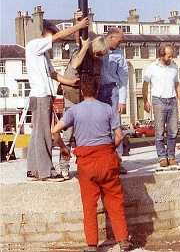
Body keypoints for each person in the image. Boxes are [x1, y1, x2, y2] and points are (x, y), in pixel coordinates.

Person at [52, 76, 132, 252]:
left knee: (89, 204)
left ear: (81, 91)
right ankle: (123, 240)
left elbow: (54, 131)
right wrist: (111, 148)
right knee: (114, 200)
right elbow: (119, 135)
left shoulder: (74, 111)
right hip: (107, 158)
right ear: (96, 90)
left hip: (86, 161)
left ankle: (91, 244)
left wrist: (64, 149)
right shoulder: (108, 109)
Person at [25, 15, 89, 182]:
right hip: (40, 96)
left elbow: (54, 75)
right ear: (46, 33)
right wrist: (78, 25)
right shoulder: (34, 45)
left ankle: (33, 169)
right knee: (44, 134)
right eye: (51, 36)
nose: (53, 43)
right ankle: (46, 171)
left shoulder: (43, 55)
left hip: (44, 95)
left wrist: (70, 82)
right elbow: (58, 36)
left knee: (37, 134)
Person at [59, 33, 108, 180]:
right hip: (72, 98)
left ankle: (84, 166)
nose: (99, 56)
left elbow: (97, 80)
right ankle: (64, 167)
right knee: (68, 135)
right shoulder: (79, 54)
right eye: (98, 53)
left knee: (85, 136)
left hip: (87, 99)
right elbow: (74, 65)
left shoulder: (98, 62)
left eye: (101, 54)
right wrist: (85, 47)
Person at [142, 43, 180, 167]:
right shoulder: (152, 67)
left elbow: (177, 84)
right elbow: (145, 85)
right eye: (169, 56)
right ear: (162, 55)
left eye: (172, 56)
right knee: (159, 131)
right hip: (158, 101)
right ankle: (162, 157)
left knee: (173, 131)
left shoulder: (174, 66)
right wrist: (145, 101)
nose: (171, 58)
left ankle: (171, 156)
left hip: (172, 100)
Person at [98, 27, 128, 173]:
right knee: (100, 126)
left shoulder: (119, 54)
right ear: (111, 37)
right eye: (120, 40)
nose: (121, 43)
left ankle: (117, 161)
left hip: (112, 90)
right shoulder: (97, 46)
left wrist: (122, 100)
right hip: (96, 91)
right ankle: (103, 162)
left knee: (115, 126)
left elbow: (123, 78)